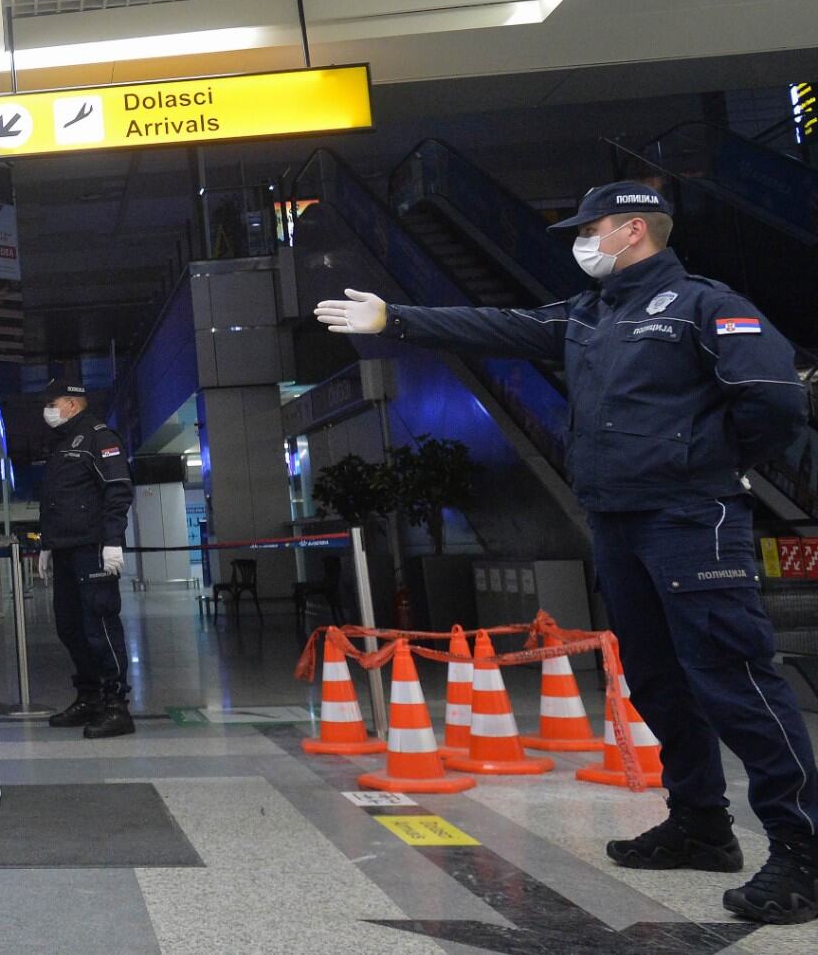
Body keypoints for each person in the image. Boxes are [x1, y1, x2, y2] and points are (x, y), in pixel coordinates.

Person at [315, 181, 818, 925]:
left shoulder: (706, 306)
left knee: (734, 679)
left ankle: (803, 850)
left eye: (592, 228)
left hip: (692, 519)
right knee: (656, 681)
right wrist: (397, 319)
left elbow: (775, 399)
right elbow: (500, 325)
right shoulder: (589, 314)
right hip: (616, 520)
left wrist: (707, 463)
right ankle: (701, 824)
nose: (583, 241)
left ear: (635, 229)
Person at [37, 379, 137, 738]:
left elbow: (118, 489)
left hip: (93, 549)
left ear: (73, 403)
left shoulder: (99, 438)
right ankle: (90, 696)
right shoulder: (61, 443)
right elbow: (58, 498)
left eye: (53, 403)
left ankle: (116, 706)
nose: (48, 410)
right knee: (70, 627)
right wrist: (48, 544)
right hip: (65, 549)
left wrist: (113, 540)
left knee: (100, 625)